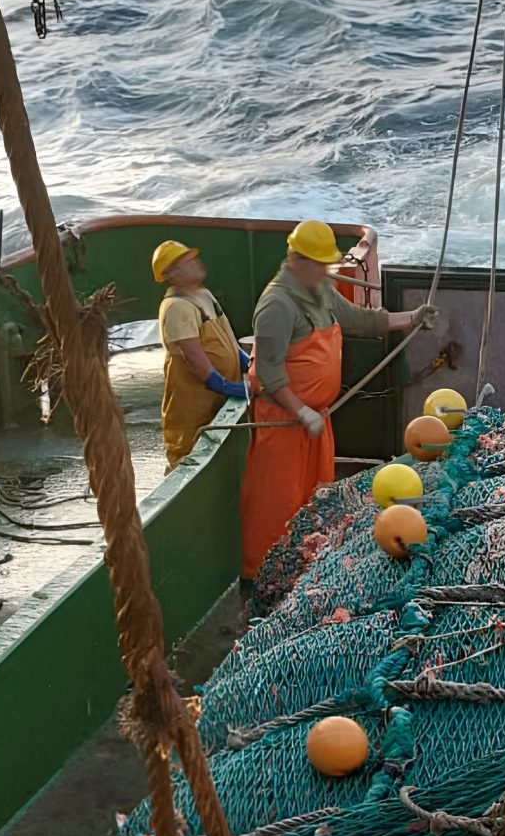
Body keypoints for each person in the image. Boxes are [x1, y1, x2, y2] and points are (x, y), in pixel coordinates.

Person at [240, 220, 437, 579]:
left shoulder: (322, 290)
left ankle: (305, 570)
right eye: (319, 263)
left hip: (317, 421)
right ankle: (262, 578)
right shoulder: (276, 306)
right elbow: (267, 374)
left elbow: (360, 319)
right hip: (283, 424)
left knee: (315, 500)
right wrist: (300, 411)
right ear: (296, 260)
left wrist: (412, 318)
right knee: (277, 504)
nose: (326, 269)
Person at [152, 240, 249, 473]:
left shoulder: (204, 295)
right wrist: (226, 386)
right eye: (187, 263)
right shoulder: (177, 307)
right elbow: (195, 359)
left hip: (218, 401)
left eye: (192, 259)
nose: (196, 264)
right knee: (187, 457)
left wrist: (245, 360)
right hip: (194, 405)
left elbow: (226, 336)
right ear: (171, 274)